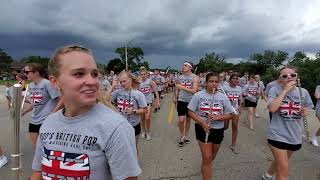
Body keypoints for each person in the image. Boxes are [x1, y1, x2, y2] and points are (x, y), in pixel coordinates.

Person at [30, 45, 141, 180]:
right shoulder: (48, 123)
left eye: (94, 74)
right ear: (55, 82)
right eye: (79, 74)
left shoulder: (116, 128)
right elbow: (38, 173)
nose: (92, 81)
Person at [262, 66, 313, 180]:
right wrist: (285, 91)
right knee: (283, 170)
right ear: (280, 79)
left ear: (297, 77)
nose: (289, 77)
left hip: (294, 135)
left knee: (281, 162)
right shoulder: (274, 90)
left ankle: (268, 175)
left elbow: (306, 108)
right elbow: (272, 108)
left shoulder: (303, 92)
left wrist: (305, 111)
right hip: (277, 134)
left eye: (292, 75)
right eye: (285, 76)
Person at [188, 72, 233, 180]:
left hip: (218, 129)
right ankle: (206, 169)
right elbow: (190, 111)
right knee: (207, 158)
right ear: (206, 83)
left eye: (216, 82)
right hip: (202, 128)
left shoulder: (223, 97)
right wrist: (202, 123)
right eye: (211, 81)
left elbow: (230, 114)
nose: (213, 84)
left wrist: (218, 117)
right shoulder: (198, 95)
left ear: (219, 83)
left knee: (211, 156)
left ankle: (205, 166)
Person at [21, 63, 63, 147]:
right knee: (35, 146)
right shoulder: (31, 85)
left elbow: (61, 99)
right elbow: (35, 102)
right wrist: (24, 112)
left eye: (26, 72)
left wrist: (52, 114)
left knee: (47, 146)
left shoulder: (47, 83)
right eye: (24, 72)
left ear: (36, 72)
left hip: (46, 119)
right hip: (34, 119)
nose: (25, 74)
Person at [111, 70, 147, 147]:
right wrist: (112, 87)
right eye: (120, 82)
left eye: (124, 81)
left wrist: (134, 111)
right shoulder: (118, 92)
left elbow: (145, 110)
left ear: (130, 80)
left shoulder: (138, 94)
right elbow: (105, 99)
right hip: (120, 126)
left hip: (134, 126)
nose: (122, 84)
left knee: (133, 148)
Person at [174, 61, 199, 147]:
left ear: (190, 67)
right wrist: (175, 97)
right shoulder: (179, 77)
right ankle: (182, 136)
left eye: (185, 65)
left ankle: (185, 135)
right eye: (183, 65)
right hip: (181, 100)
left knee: (188, 120)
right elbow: (177, 89)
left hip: (191, 101)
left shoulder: (195, 77)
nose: (183, 66)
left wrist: (181, 87)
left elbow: (194, 91)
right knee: (181, 120)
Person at [222, 74, 243, 154]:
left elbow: (240, 99)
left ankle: (233, 145)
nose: (235, 80)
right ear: (230, 80)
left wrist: (240, 106)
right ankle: (219, 132)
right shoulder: (225, 88)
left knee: (235, 126)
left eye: (236, 79)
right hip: (226, 110)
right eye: (233, 78)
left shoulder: (239, 88)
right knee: (225, 127)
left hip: (235, 110)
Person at [139, 67, 160, 141]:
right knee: (142, 118)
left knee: (147, 118)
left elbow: (156, 91)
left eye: (144, 74)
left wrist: (158, 101)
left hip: (148, 102)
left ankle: (148, 132)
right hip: (140, 104)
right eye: (141, 74)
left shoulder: (151, 82)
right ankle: (143, 131)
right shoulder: (138, 82)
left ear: (147, 74)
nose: (143, 75)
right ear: (140, 75)